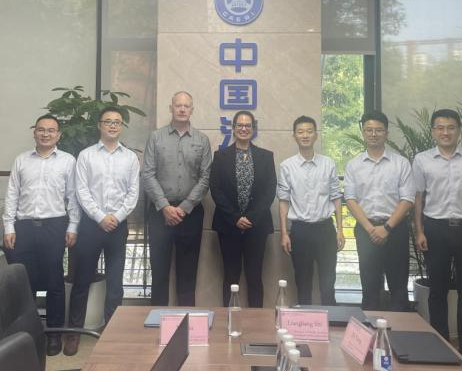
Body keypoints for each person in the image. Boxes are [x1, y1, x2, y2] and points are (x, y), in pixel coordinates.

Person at [413, 108, 462, 369]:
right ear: (433, 131)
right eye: (440, 127)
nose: (445, 132)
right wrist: (420, 231)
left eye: (450, 127)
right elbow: (418, 198)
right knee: (437, 290)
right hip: (435, 229)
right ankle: (441, 343)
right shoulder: (422, 160)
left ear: (459, 130)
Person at [2, 114, 80, 356]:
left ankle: (53, 334)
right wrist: (9, 226)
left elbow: (73, 196)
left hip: (54, 226)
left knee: (54, 281)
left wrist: (73, 226)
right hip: (23, 227)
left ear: (59, 135)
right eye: (41, 129)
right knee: (24, 282)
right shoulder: (21, 160)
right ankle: (26, 334)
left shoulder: (68, 161)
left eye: (51, 130)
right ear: (34, 132)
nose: (46, 134)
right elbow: (12, 194)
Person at [65, 106, 140, 356]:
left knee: (115, 283)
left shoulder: (130, 158)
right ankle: (74, 332)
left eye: (117, 122)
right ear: (99, 125)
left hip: (117, 227)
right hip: (90, 226)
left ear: (121, 126)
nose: (112, 125)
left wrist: (115, 218)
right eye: (108, 121)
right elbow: (81, 191)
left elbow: (133, 193)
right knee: (81, 281)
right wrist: (100, 217)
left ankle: (112, 332)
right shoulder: (86, 156)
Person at [142, 91, 212, 306]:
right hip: (160, 213)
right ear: (170, 108)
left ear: (192, 110)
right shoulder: (156, 137)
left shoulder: (202, 140)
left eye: (186, 106)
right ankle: (157, 319)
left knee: (188, 272)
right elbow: (147, 174)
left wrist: (184, 207)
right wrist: (165, 206)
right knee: (159, 272)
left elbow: (206, 177)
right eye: (178, 105)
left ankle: (188, 319)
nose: (182, 109)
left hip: (190, 214)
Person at [344, 111, 415, 311]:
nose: (373, 134)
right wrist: (370, 229)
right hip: (366, 230)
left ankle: (398, 330)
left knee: (398, 287)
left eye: (378, 130)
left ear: (386, 133)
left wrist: (387, 228)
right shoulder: (353, 165)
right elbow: (350, 199)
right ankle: (369, 329)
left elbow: (408, 199)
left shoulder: (400, 163)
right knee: (369, 287)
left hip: (396, 230)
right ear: (363, 132)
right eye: (369, 130)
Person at [210, 110, 277, 307]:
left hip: (257, 226)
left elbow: (269, 190)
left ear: (254, 129)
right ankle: (229, 318)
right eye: (240, 125)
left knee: (255, 276)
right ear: (233, 128)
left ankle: (257, 320)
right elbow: (216, 189)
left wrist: (252, 217)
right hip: (228, 225)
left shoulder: (266, 157)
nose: (244, 129)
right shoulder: (220, 156)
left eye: (248, 125)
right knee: (230, 276)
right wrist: (235, 218)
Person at [276, 115, 344, 305]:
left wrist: (340, 230)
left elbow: (336, 198)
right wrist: (284, 233)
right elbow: (283, 201)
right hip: (300, 231)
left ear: (316, 135)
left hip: (325, 229)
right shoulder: (287, 166)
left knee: (328, 283)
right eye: (300, 132)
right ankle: (304, 322)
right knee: (303, 283)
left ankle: (331, 320)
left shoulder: (328, 164)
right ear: (294, 136)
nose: (305, 135)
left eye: (309, 131)